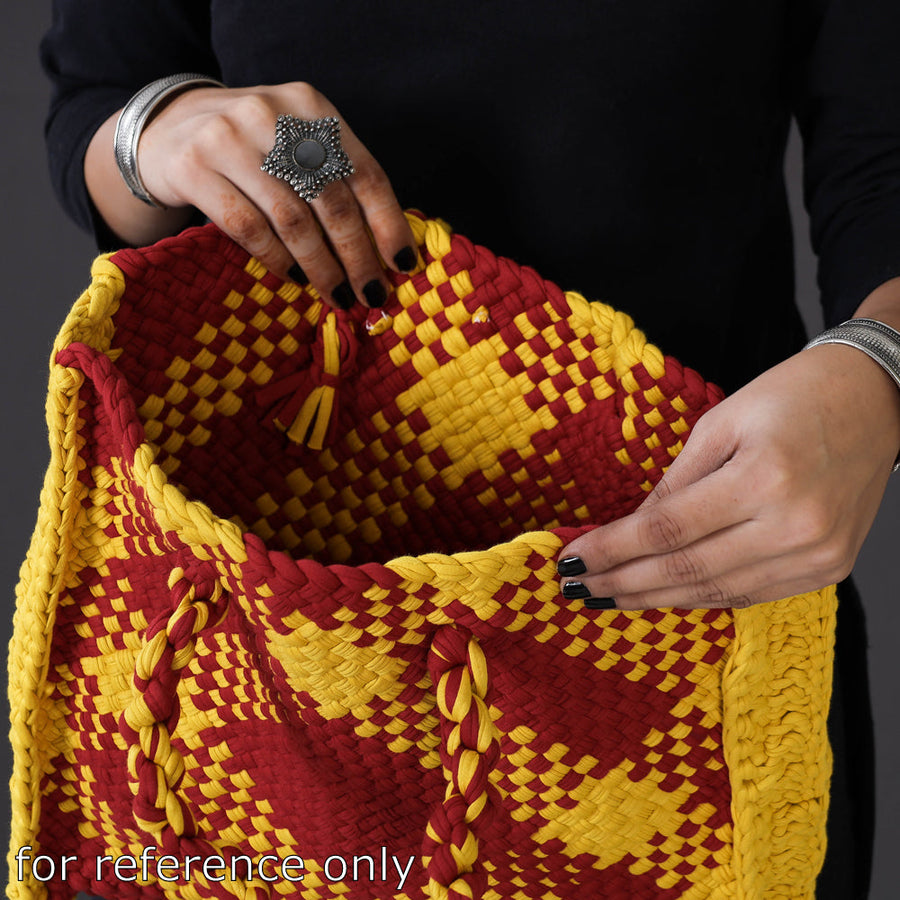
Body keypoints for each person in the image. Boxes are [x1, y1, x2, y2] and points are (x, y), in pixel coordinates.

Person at [40, 2, 900, 896]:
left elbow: (882, 167)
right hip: (250, 655)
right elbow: (100, 98)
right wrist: (164, 129)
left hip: (686, 588)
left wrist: (881, 367)